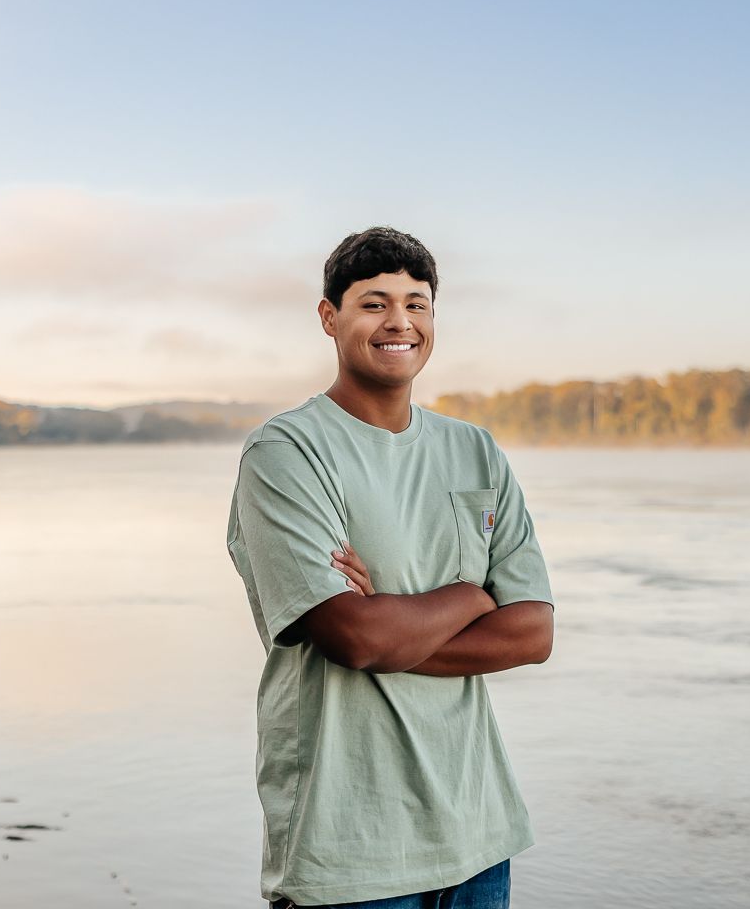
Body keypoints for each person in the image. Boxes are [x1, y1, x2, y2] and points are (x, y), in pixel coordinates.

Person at [226, 226, 556, 909]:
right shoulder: (287, 454)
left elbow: (532, 635)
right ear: (330, 317)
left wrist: (399, 620)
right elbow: (356, 638)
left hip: (479, 835)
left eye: (417, 303)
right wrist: (472, 594)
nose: (400, 321)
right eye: (374, 303)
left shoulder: (475, 452)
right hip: (350, 850)